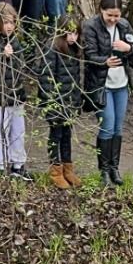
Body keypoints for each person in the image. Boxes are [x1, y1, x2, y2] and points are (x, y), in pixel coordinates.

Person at [80, 0, 133, 187]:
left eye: (116, 15)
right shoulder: (90, 26)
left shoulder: (124, 26)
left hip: (121, 84)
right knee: (107, 125)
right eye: (109, 15)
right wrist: (104, 62)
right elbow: (88, 56)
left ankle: (115, 167)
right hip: (100, 84)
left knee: (118, 128)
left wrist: (128, 49)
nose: (113, 19)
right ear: (101, 11)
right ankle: (103, 170)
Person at [38, 17, 90, 187]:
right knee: (56, 135)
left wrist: (76, 104)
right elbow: (46, 78)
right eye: (69, 32)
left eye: (75, 33)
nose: (72, 37)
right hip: (55, 103)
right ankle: (55, 170)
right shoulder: (52, 49)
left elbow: (76, 80)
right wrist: (50, 104)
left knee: (67, 135)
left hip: (69, 102)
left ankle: (68, 169)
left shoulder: (75, 50)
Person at [0, 3, 30, 179]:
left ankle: (18, 164)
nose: (9, 26)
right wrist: (2, 57)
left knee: (18, 130)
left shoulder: (15, 41)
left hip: (16, 94)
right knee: (1, 130)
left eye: (12, 22)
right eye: (5, 22)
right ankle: (2, 165)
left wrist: (13, 57)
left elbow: (20, 65)